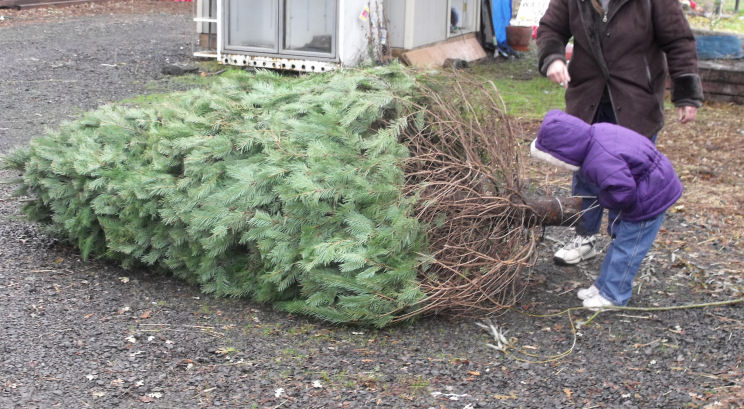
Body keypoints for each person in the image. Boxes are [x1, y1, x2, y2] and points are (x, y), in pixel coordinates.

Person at [536, 0, 703, 265]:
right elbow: (550, 29)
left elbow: (679, 41)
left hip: (637, 100)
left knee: (631, 176)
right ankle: (584, 236)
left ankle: (621, 239)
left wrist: (686, 94)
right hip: (587, 99)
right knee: (586, 173)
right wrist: (552, 58)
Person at [531, 110, 683, 308]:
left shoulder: (598, 161)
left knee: (628, 248)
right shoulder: (596, 134)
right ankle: (603, 285)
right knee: (620, 242)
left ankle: (614, 295)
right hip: (648, 185)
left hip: (650, 197)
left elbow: (622, 190)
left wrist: (604, 199)